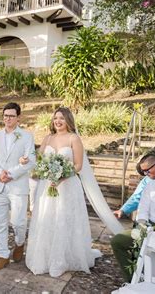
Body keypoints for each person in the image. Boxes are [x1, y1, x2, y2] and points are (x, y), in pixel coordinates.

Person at [26, 107, 97, 277]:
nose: (58, 121)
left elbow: (78, 165)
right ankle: (45, 257)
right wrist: (31, 163)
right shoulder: (48, 138)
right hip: (47, 185)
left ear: (68, 121)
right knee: (47, 219)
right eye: (56, 118)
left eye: (62, 118)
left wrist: (61, 176)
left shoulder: (74, 138)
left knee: (64, 221)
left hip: (68, 187)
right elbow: (39, 160)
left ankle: (63, 259)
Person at [111, 154, 155, 289]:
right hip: (151, 227)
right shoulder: (151, 185)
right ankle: (134, 281)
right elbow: (142, 208)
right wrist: (142, 223)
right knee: (118, 241)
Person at [0, 102, 35, 271]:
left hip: (17, 186)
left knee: (18, 222)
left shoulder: (26, 136)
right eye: (5, 115)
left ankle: (20, 243)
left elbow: (31, 161)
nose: (8, 118)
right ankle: (3, 255)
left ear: (18, 118)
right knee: (0, 223)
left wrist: (11, 173)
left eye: (11, 116)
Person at [113, 154, 155, 219]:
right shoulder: (146, 181)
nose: (145, 174)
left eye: (147, 170)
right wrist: (123, 210)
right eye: (143, 171)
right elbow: (137, 197)